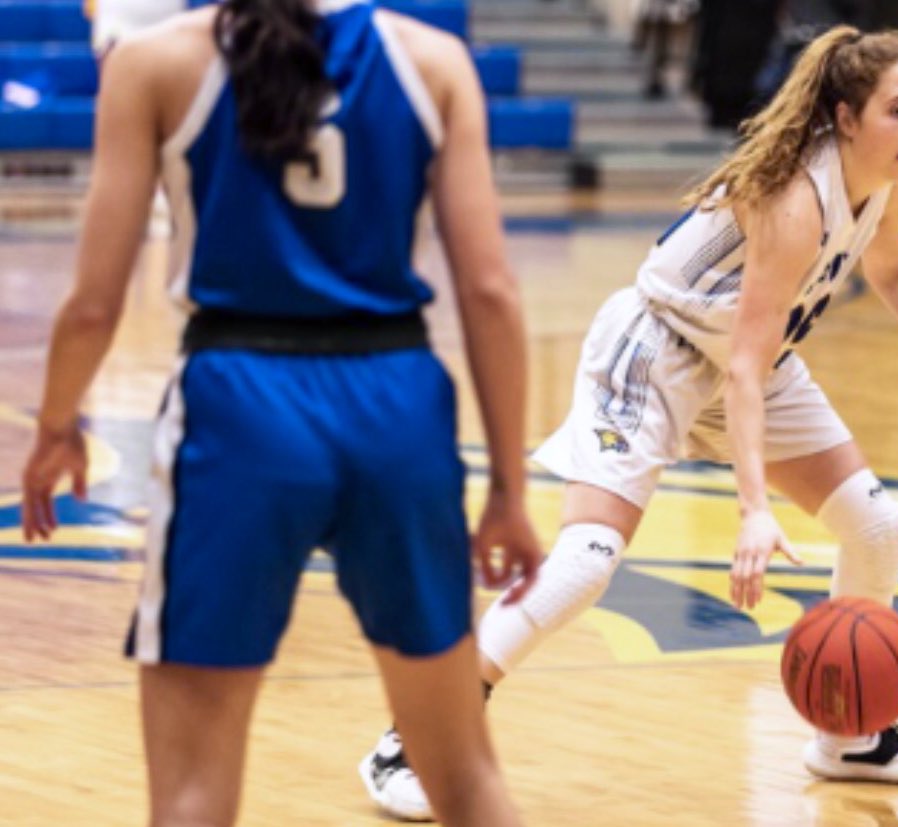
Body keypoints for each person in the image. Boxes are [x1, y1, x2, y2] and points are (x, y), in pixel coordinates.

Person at [362, 24, 898, 820]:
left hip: (746, 359)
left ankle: (853, 734)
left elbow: (888, 268)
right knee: (585, 560)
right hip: (656, 351)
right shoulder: (795, 195)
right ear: (846, 116)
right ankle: (410, 739)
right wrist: (754, 510)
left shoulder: (887, 174)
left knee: (878, 526)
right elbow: (746, 365)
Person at [19, 1, 542, 825]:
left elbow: (92, 304)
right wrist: (509, 487)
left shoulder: (154, 62)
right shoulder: (433, 60)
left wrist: (56, 427)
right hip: (396, 399)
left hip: (238, 400)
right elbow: (489, 292)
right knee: (468, 779)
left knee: (193, 793)